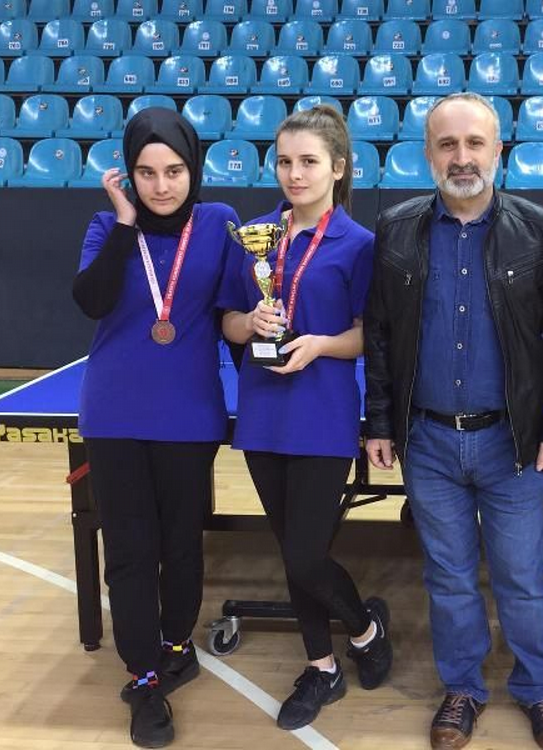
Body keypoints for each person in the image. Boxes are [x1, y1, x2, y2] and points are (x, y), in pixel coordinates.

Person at [362, 92, 543, 750]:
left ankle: (537, 689)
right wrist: (379, 421)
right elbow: (379, 333)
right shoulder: (396, 228)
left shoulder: (539, 230)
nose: (462, 157)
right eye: (447, 145)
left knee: (522, 577)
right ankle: (462, 688)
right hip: (427, 442)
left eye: (474, 143)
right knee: (449, 579)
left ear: (498, 150)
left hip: (512, 443)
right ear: (428, 154)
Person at [72, 108, 242, 748]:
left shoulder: (220, 223)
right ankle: (143, 679)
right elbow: (92, 300)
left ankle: (176, 645)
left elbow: (236, 309)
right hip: (114, 415)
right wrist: (124, 222)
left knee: (182, 544)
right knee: (130, 551)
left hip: (189, 414)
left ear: (192, 169)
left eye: (174, 170)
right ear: (129, 176)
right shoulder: (105, 227)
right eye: (146, 173)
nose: (161, 185)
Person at [221, 105, 390, 731]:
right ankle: (323, 665)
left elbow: (370, 334)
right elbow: (227, 321)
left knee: (304, 552)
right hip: (262, 410)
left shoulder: (360, 245)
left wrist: (319, 344)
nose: (295, 173)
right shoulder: (253, 236)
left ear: (337, 168)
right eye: (285, 161)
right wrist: (250, 322)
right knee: (293, 549)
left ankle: (366, 629)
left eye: (309, 162)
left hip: (323, 412)